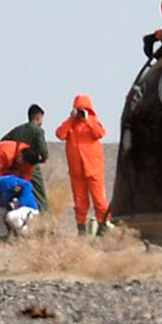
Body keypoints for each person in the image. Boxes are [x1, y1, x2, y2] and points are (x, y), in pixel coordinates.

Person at [56, 94, 110, 235]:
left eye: (83, 109)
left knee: (100, 201)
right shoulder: (71, 125)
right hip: (77, 171)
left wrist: (87, 120)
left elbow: (100, 133)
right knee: (80, 203)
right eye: (78, 109)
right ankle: (81, 229)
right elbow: (60, 134)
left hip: (94, 169)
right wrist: (71, 119)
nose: (80, 112)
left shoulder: (93, 121)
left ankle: (103, 228)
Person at [1, 104, 50, 211]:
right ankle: (44, 217)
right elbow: (44, 153)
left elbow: (3, 142)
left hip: (16, 167)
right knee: (39, 194)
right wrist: (40, 159)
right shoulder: (38, 130)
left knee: (17, 192)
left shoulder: (17, 130)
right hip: (31, 167)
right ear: (38, 117)